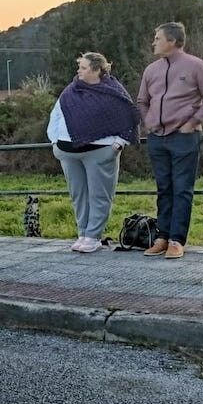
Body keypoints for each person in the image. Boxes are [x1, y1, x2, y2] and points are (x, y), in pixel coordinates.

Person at [136, 22, 203, 260]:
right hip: (157, 138)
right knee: (164, 188)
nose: (153, 42)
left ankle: (177, 240)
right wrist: (149, 122)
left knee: (182, 189)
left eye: (157, 38)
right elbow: (142, 101)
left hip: (184, 137)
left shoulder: (197, 66)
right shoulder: (150, 70)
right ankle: (162, 237)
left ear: (172, 41)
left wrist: (192, 123)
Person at [48, 52, 140, 253]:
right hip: (67, 152)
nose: (78, 70)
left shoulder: (113, 91)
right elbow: (56, 114)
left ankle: (93, 236)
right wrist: (55, 141)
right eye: (79, 66)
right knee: (78, 195)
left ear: (97, 69)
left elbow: (129, 116)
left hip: (100, 151)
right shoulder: (71, 90)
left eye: (83, 67)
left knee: (99, 195)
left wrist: (118, 143)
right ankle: (83, 232)